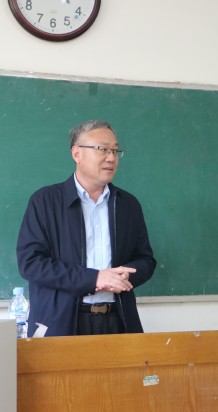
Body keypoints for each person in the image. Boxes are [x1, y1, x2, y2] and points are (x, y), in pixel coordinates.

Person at [16, 120, 156, 337]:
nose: (111, 157)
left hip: (118, 321)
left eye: (115, 150)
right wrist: (94, 279)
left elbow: (145, 260)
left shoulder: (127, 204)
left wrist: (123, 277)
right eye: (102, 149)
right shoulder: (45, 201)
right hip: (61, 324)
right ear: (77, 154)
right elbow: (31, 263)